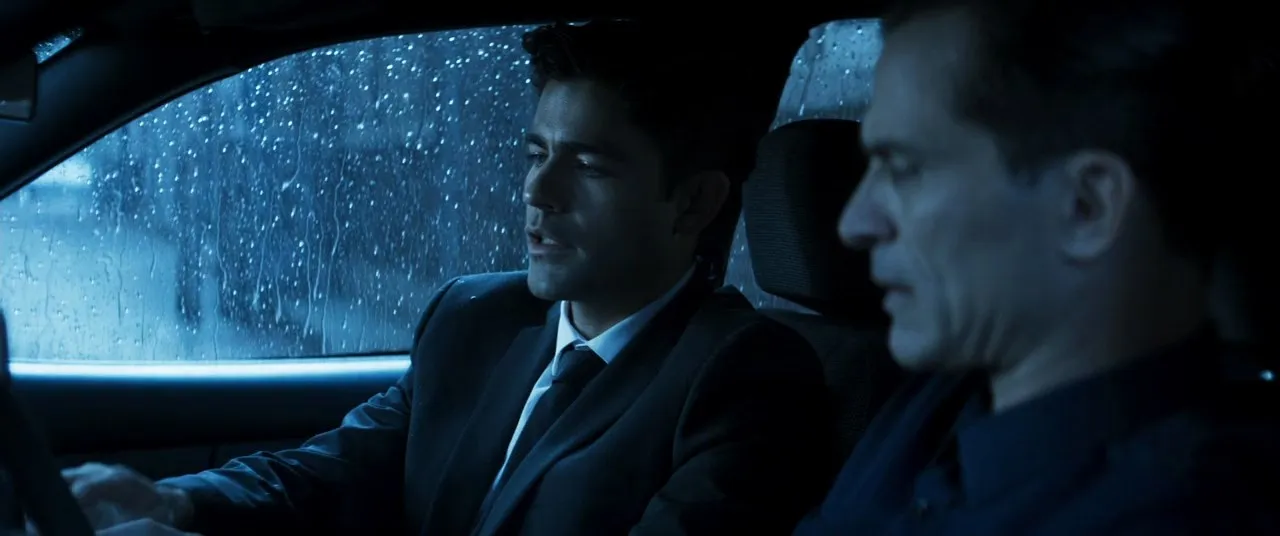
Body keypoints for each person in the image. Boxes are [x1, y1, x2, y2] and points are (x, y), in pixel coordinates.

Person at [60, 20, 830, 536]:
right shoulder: (478, 317)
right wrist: (175, 500)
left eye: (589, 166)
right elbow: (340, 469)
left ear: (693, 202)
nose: (539, 192)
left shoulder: (746, 378)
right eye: (536, 154)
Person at [793, 0, 1280, 534]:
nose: (854, 224)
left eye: (904, 169)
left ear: (1085, 207)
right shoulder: (926, 409)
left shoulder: (1177, 513)